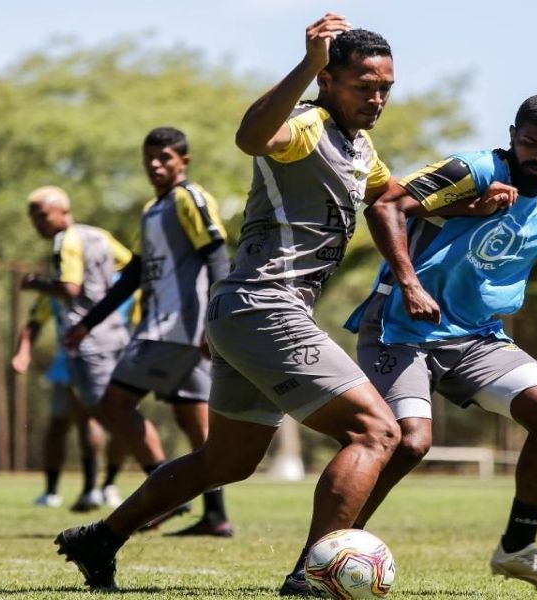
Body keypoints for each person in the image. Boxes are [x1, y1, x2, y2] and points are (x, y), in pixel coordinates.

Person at [54, 16, 405, 592]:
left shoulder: (359, 146)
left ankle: (100, 540)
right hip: (264, 307)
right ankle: (310, 577)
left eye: (385, 87)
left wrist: (469, 197)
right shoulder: (304, 126)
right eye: (363, 85)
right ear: (329, 79)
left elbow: (390, 195)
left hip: (248, 314)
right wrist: (306, 65)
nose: (377, 97)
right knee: (377, 432)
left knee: (227, 462)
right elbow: (251, 137)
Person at [316, 93, 537, 594]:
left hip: (478, 338)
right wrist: (412, 281)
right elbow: (387, 205)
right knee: (408, 441)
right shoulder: (473, 169)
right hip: (401, 325)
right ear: (511, 135)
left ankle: (518, 550)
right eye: (529, 143)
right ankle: (327, 550)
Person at [61, 127, 234, 537]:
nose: (155, 165)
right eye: (149, 159)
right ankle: (215, 515)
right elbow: (134, 275)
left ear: (183, 161)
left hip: (174, 329)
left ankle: (168, 495)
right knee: (194, 424)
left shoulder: (189, 198)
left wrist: (215, 321)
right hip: (170, 328)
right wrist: (88, 322)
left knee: (113, 404)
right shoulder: (153, 209)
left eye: (165, 158)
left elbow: (217, 257)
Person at [11, 186, 134, 511]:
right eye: (32, 216)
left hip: (90, 342)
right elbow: (135, 268)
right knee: (73, 419)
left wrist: (33, 281)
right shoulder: (99, 237)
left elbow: (70, 288)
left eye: (42, 214)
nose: (37, 221)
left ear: (63, 211)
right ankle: (84, 489)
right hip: (86, 345)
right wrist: (23, 350)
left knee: (104, 416)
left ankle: (138, 477)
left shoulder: (67, 241)